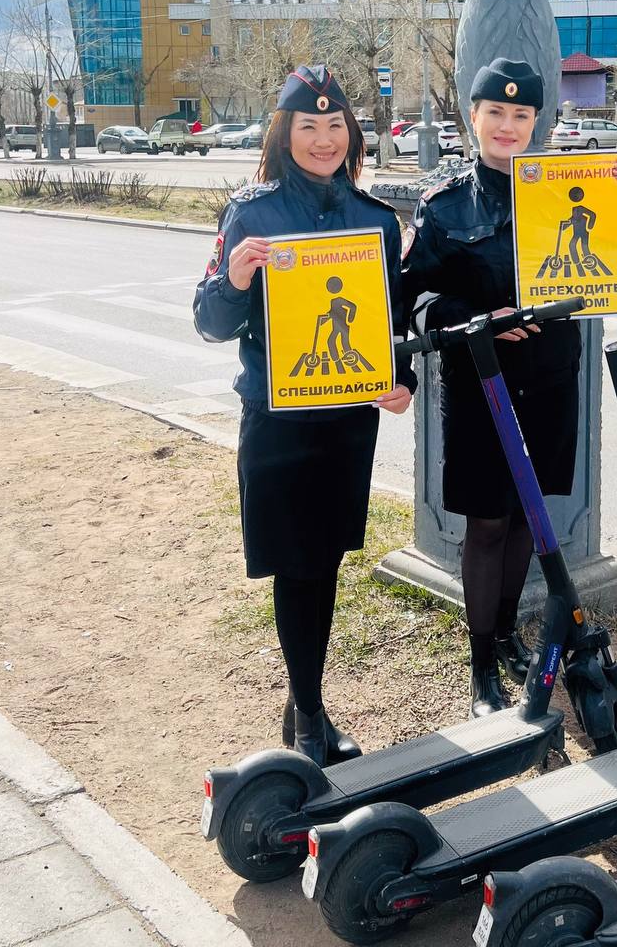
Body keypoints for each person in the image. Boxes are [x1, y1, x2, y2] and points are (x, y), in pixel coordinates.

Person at [402, 58, 617, 718]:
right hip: (481, 383)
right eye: (495, 112)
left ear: (537, 121)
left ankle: (508, 630)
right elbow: (413, 299)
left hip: (546, 381)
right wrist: (473, 321)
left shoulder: (571, 186)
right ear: (472, 116)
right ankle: (482, 665)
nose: (507, 125)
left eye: (521, 114)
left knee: (524, 518)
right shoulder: (445, 205)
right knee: (486, 523)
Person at [193, 65, 416, 765]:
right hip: (279, 421)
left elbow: (393, 322)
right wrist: (233, 281)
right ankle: (313, 716)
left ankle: (302, 696)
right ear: (283, 134)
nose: (323, 139)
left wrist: (399, 376)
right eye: (308, 127)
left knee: (325, 562)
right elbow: (209, 322)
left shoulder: (376, 221)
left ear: (352, 133)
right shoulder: (250, 214)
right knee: (297, 567)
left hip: (348, 422)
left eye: (335, 125)